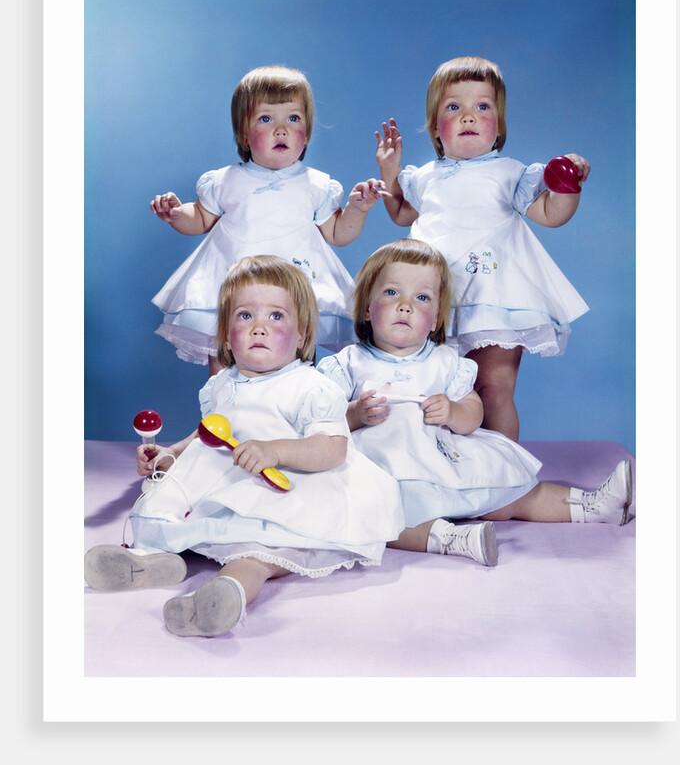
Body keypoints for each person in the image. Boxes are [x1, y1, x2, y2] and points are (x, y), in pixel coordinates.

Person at [84, 255, 406, 638]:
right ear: (225, 334)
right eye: (244, 316)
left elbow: (332, 447)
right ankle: (152, 563)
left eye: (275, 317)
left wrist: (276, 451)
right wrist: (168, 455)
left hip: (285, 488)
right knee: (171, 517)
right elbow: (204, 437)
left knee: (255, 552)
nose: (258, 328)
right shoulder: (222, 385)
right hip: (221, 482)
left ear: (302, 335)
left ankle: (229, 592)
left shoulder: (310, 387)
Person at [317, 240, 632, 568]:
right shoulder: (347, 364)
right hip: (382, 471)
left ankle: (591, 505)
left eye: (421, 297)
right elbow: (323, 421)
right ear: (367, 307)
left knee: (510, 495)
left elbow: (473, 413)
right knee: (377, 515)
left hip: (441, 460)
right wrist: (354, 413)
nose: (405, 306)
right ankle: (450, 539)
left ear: (437, 319)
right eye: (392, 293)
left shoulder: (446, 362)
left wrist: (453, 412)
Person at [375, 56, 590, 441]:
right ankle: (456, 469)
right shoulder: (423, 177)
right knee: (443, 391)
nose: (468, 117)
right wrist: (390, 173)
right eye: (454, 107)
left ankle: (507, 478)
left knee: (493, 389)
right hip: (436, 299)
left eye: (482, 107)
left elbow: (550, 214)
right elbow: (400, 214)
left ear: (499, 125)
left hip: (495, 297)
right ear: (436, 129)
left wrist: (566, 184)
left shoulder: (510, 172)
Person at [151, 64, 382, 375]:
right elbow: (201, 218)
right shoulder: (226, 180)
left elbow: (338, 233)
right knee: (225, 355)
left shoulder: (316, 185)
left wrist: (357, 209)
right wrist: (177, 214)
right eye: (265, 119)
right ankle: (222, 415)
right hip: (234, 285)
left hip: (295, 287)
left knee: (299, 360)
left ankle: (298, 414)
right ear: (244, 135)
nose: (281, 129)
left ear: (308, 133)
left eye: (293, 118)